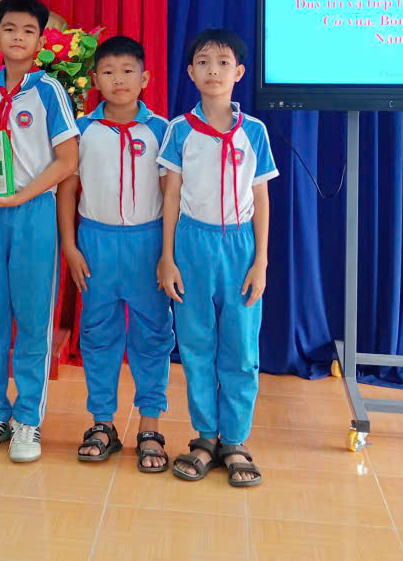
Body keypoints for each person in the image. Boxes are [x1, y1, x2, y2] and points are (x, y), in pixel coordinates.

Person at [0, 0, 79, 462]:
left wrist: (22, 196)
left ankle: (28, 418)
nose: (18, 37)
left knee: (32, 318)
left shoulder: (49, 92)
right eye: (9, 29)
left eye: (28, 31)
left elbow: (68, 160)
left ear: (41, 41)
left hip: (32, 213)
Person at [157, 29, 277, 487]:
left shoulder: (254, 132)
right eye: (203, 62)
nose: (213, 71)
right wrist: (167, 257)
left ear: (239, 73)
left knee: (241, 347)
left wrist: (260, 261)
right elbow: (171, 196)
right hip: (192, 245)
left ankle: (236, 440)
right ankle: (205, 436)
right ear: (190, 72)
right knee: (195, 344)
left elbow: (261, 198)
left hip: (240, 247)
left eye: (223, 63)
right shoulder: (180, 130)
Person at [57, 35, 173, 471]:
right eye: (108, 72)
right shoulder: (83, 131)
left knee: (153, 335)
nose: (118, 80)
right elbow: (67, 189)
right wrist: (70, 246)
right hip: (96, 243)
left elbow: (172, 196)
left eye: (127, 71)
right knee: (98, 333)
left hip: (148, 245)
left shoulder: (162, 130)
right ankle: (102, 423)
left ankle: (150, 426)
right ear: (94, 80)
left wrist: (167, 253)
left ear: (145, 78)